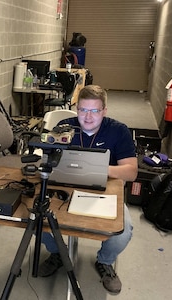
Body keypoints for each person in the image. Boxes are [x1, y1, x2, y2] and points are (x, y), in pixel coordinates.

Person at [39, 85, 137, 294]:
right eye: (83, 110)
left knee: (123, 232)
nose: (88, 117)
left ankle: (105, 262)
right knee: (37, 215)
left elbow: (131, 172)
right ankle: (58, 252)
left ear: (104, 111)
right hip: (66, 187)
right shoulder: (65, 126)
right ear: (76, 108)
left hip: (105, 190)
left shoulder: (118, 130)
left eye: (95, 111)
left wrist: (97, 168)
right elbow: (48, 159)